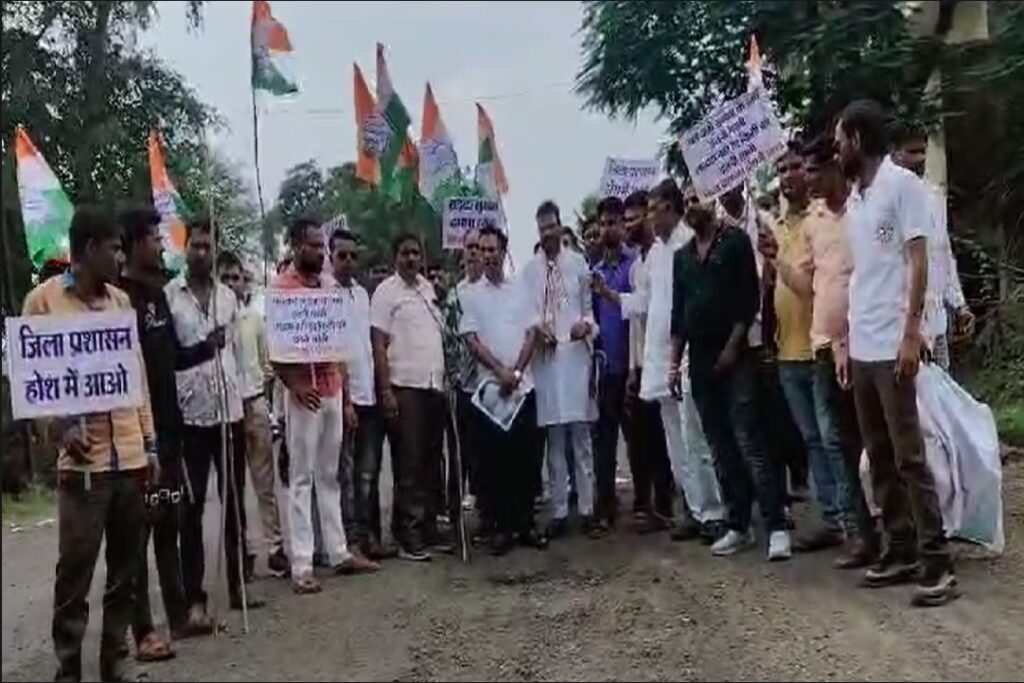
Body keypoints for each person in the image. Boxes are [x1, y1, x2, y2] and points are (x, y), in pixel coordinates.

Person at [28, 206, 156, 682]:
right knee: (74, 576)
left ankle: (114, 661)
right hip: (83, 467)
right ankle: (68, 669)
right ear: (87, 250)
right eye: (115, 247)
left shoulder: (122, 304)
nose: (122, 257)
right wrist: (58, 429)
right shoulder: (42, 303)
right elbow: (30, 382)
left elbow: (136, 373)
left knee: (125, 570)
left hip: (130, 457)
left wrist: (151, 444)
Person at [835, 99, 956, 605]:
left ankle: (938, 562)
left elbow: (918, 261)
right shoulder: (857, 197)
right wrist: (845, 341)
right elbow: (863, 274)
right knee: (879, 455)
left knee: (909, 455)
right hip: (862, 346)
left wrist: (912, 333)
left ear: (858, 140)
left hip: (893, 344)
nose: (836, 148)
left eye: (840, 140)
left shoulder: (900, 186)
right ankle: (901, 548)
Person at [762, 136, 880, 568]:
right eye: (801, 170)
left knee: (875, 439)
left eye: (812, 170)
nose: (806, 178)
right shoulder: (814, 223)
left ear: (834, 168)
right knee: (835, 441)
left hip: (869, 343)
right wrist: (776, 261)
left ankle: (896, 532)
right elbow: (808, 285)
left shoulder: (866, 212)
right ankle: (860, 533)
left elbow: (890, 264)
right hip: (825, 350)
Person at [670, 185, 793, 562]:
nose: (692, 207)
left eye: (697, 199)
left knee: (748, 440)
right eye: (687, 201)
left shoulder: (736, 241)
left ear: (713, 201)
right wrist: (674, 363)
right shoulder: (683, 257)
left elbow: (749, 300)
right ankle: (737, 525)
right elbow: (679, 316)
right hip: (701, 362)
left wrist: (732, 347)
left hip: (736, 358)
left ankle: (775, 526)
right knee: (720, 447)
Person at [119, 208, 215, 663]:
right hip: (134, 438)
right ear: (135, 243)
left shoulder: (158, 297)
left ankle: (179, 615)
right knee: (135, 534)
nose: (162, 245)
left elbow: (172, 358)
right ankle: (141, 631)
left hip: (170, 431)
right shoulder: (119, 299)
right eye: (155, 238)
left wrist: (206, 348)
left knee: (169, 522)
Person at [273, 218, 380, 593]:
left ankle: (339, 552)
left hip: (333, 388)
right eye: (314, 246)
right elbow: (276, 351)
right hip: (305, 394)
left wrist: (347, 398)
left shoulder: (331, 287)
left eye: (322, 247)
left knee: (330, 475)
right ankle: (302, 563)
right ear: (296, 246)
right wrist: (295, 384)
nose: (320, 253)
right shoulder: (282, 288)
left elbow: (342, 347)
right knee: (301, 478)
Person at [620, 180, 727, 542]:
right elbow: (648, 305)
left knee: (696, 437)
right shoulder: (654, 255)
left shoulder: (688, 242)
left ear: (670, 208)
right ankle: (693, 510)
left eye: (653, 210)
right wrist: (609, 295)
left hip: (687, 357)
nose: (651, 218)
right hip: (659, 360)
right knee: (675, 441)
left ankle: (715, 512)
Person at [165, 218, 260, 613]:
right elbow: (169, 358)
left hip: (230, 413)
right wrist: (205, 347)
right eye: (196, 246)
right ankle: (195, 597)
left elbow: (240, 358)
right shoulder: (170, 296)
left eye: (208, 246)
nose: (201, 253)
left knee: (234, 501)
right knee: (192, 507)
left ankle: (239, 586)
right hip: (191, 417)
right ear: (185, 248)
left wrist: (251, 402)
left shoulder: (228, 298)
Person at [460, 224, 548, 555]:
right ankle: (499, 527)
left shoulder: (519, 289)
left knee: (525, 459)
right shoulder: (470, 294)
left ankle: (525, 524)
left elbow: (533, 334)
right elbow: (471, 339)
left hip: (523, 388)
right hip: (491, 393)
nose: (486, 256)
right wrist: (499, 372)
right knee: (494, 460)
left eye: (492, 249)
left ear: (503, 251)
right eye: (481, 250)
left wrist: (517, 371)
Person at [720, 186, 809, 504]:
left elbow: (774, 272)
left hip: (768, 333)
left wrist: (767, 258)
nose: (724, 191)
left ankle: (782, 493)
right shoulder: (717, 232)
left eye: (729, 183)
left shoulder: (765, 221)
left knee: (774, 419)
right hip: (735, 339)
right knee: (745, 425)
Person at [522, 200, 602, 539]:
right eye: (542, 229)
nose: (547, 234)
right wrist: (537, 328)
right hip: (547, 362)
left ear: (559, 226)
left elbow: (589, 313)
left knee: (581, 438)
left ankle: (586, 509)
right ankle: (558, 511)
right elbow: (525, 314)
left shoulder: (578, 264)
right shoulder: (529, 271)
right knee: (554, 441)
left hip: (575, 360)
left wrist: (586, 327)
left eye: (552, 226)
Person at [370, 232, 448, 561]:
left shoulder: (427, 289)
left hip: (433, 385)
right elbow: (378, 343)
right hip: (405, 386)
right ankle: (408, 535)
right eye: (405, 253)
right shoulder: (386, 293)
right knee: (410, 463)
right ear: (395, 257)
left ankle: (427, 529)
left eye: (416, 253)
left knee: (431, 463)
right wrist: (386, 390)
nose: (412, 259)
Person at [217, 251, 288, 577]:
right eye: (227, 278)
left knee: (265, 481)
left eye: (237, 278)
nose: (232, 284)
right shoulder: (211, 321)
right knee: (232, 484)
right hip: (224, 410)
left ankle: (275, 548)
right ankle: (242, 551)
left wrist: (263, 399)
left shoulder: (253, 318)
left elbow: (266, 362)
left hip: (255, 402)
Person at [330, 227, 393, 560]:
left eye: (354, 255)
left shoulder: (363, 295)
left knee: (369, 473)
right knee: (346, 477)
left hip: (370, 396)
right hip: (344, 399)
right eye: (342, 255)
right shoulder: (324, 295)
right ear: (331, 256)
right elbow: (334, 352)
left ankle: (370, 538)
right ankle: (350, 543)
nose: (349, 261)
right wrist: (346, 400)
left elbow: (369, 345)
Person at [891, 126, 974, 369]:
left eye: (923, 151)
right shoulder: (884, 198)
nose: (921, 158)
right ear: (895, 154)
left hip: (937, 315)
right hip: (901, 321)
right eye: (912, 152)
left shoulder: (933, 196)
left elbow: (943, 253)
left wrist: (959, 304)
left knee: (942, 390)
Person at [621, 189, 675, 530]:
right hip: (641, 362)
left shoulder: (663, 255)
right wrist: (632, 367)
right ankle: (652, 506)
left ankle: (668, 504)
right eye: (625, 220)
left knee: (666, 438)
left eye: (634, 218)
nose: (629, 225)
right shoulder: (637, 266)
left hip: (665, 358)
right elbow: (635, 324)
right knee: (644, 440)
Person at [590, 196, 635, 529]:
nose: (609, 228)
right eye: (603, 223)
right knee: (603, 442)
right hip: (604, 370)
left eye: (614, 222)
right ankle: (605, 505)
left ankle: (651, 502)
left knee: (639, 439)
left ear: (623, 225)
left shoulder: (636, 265)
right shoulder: (593, 275)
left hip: (633, 366)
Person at [454, 229, 486, 526]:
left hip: (491, 383)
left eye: (480, 247)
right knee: (467, 447)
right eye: (471, 247)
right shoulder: (457, 293)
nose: (475, 253)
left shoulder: (498, 288)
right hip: (465, 383)